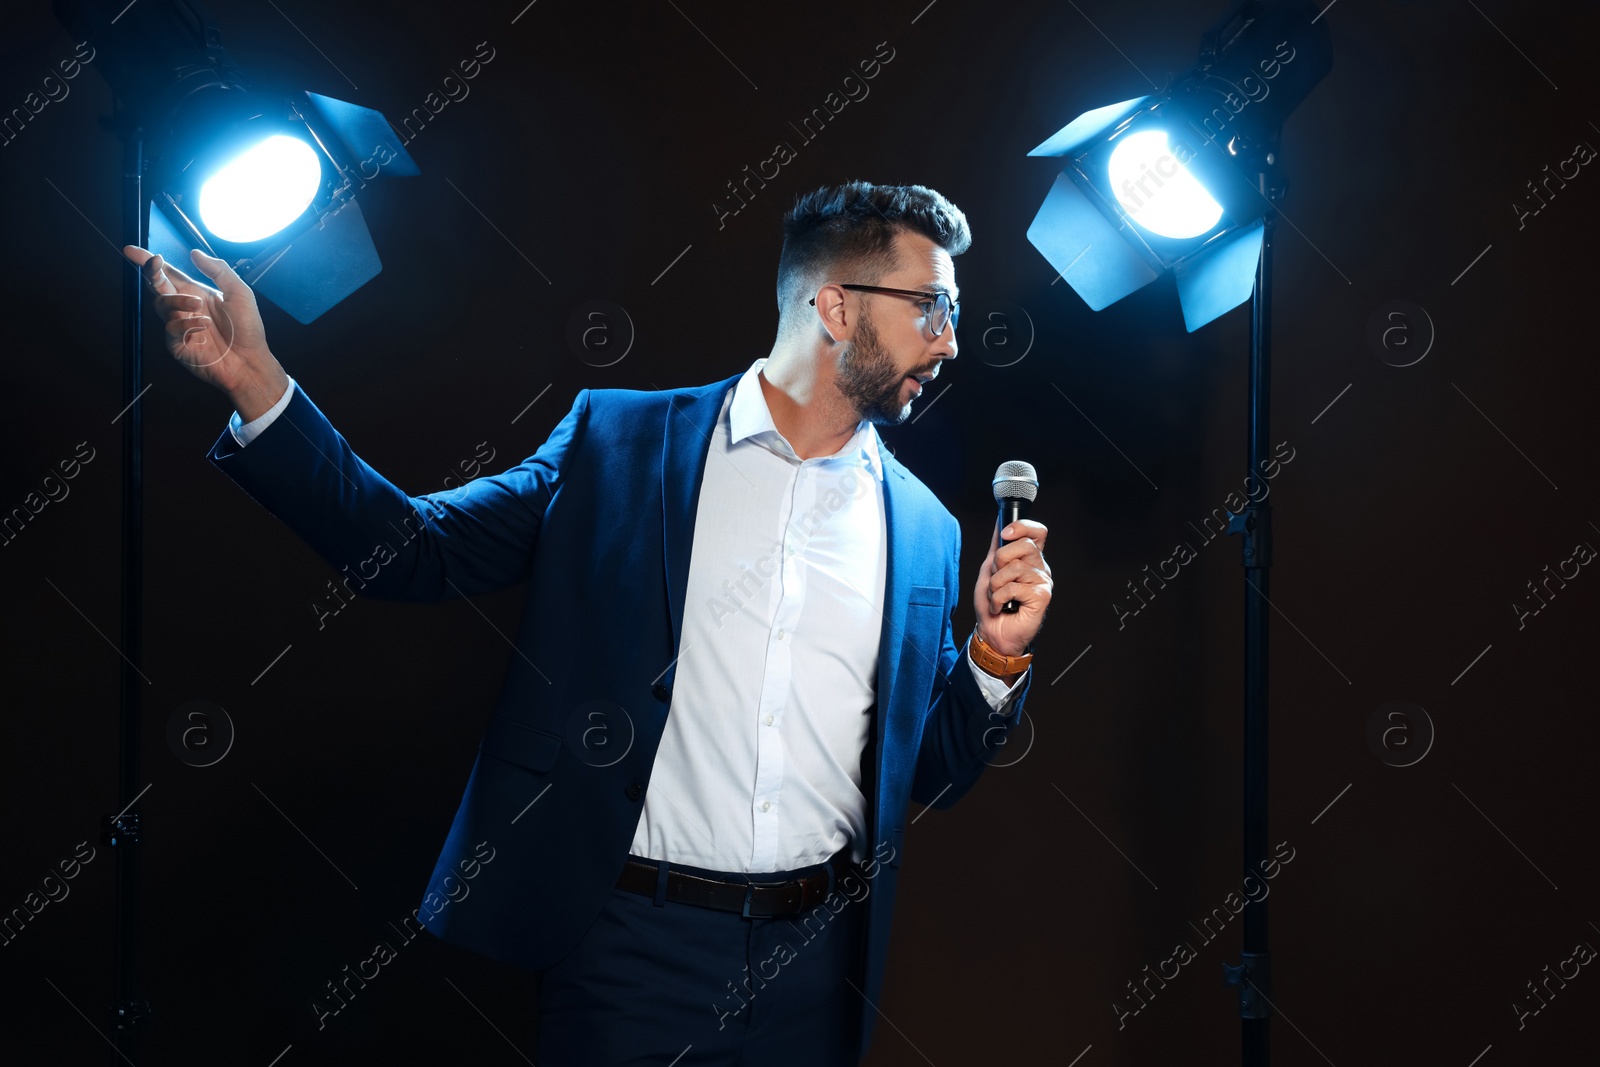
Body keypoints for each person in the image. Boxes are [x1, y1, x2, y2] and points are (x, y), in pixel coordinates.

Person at [123, 180, 1052, 1065]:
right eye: (932, 307)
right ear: (838, 306)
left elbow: (926, 770)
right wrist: (260, 387)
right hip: (631, 953)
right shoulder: (618, 443)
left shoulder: (926, 528)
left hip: (817, 964)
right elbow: (415, 549)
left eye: (954, 315)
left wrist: (992, 659)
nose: (951, 343)